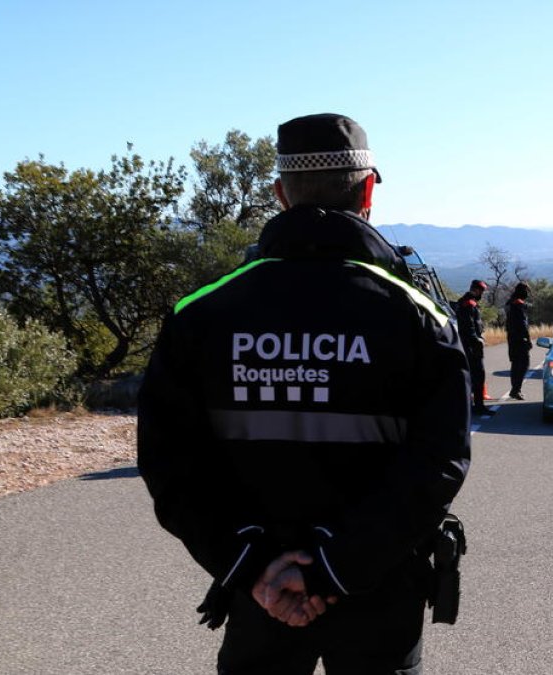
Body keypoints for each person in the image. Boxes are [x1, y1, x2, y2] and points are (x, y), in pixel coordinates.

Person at [137, 113, 472, 675]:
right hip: (377, 587)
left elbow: (169, 465)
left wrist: (254, 568)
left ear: (279, 194)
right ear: (367, 190)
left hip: (259, 589)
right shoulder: (419, 317)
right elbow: (439, 463)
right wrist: (332, 569)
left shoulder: (200, 314)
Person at [455, 279, 491, 414]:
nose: (482, 293)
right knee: (477, 375)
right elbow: (469, 327)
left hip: (469, 345)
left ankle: (474, 405)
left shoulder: (467, 302)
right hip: (471, 347)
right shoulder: (468, 304)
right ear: (475, 290)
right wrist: (477, 340)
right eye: (481, 291)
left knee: (473, 376)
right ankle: (478, 407)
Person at [505, 282, 532, 400]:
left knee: (515, 364)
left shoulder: (509, 303)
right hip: (520, 339)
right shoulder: (519, 304)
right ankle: (516, 390)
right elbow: (523, 324)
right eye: (526, 291)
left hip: (511, 337)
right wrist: (528, 339)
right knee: (524, 364)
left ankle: (515, 389)